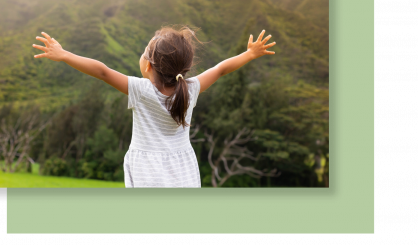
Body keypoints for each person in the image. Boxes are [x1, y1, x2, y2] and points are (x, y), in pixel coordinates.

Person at [33, 26, 276, 187]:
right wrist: (249, 54)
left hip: (147, 171)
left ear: (148, 66)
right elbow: (220, 69)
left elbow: (103, 72)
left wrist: (64, 54)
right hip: (183, 170)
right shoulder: (190, 89)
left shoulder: (141, 90)